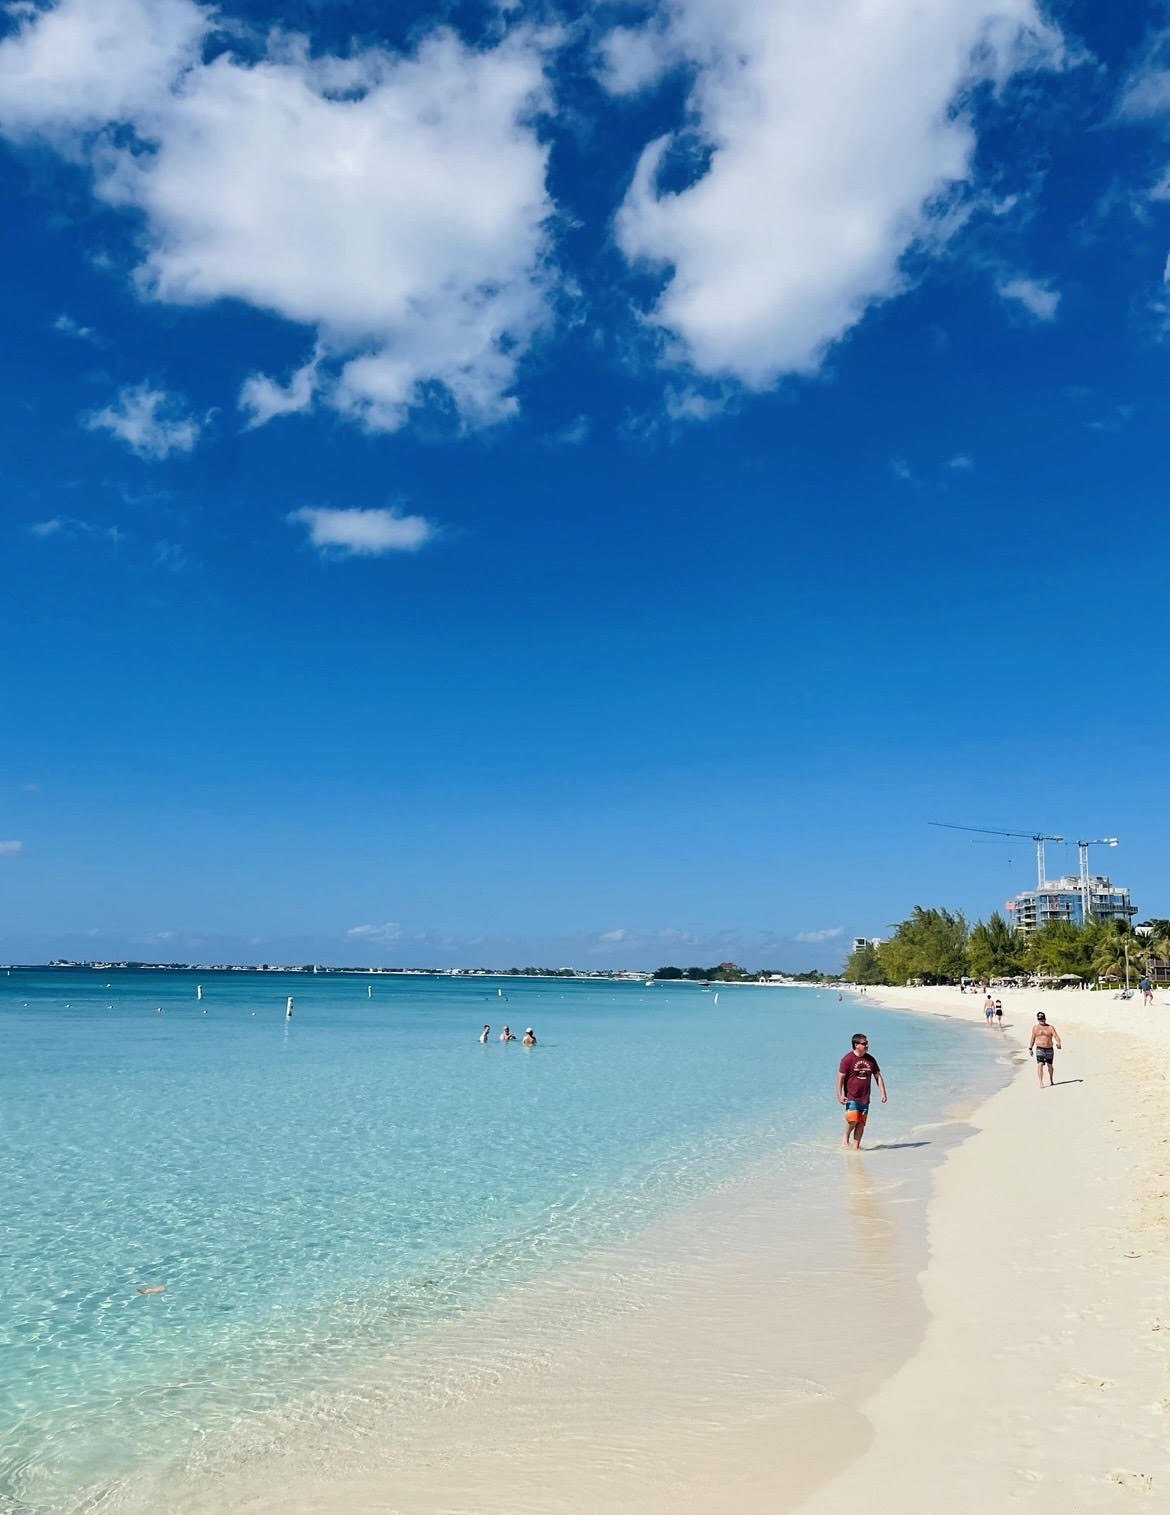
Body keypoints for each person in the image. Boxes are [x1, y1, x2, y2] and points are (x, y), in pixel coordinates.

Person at [836, 1033, 887, 1149]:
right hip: (851, 1096)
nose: (867, 1045)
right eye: (864, 1043)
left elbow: (878, 1076)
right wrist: (839, 1095)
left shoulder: (870, 1059)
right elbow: (840, 1077)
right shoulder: (847, 1059)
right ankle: (846, 1136)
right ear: (856, 1045)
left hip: (865, 1097)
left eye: (866, 1043)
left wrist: (883, 1093)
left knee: (861, 1123)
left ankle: (855, 1148)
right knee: (853, 1120)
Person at [1028, 1011, 1062, 1088]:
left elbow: (1056, 1036)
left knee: (1050, 1065)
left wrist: (1059, 1043)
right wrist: (1030, 1048)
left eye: (1043, 1019)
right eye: (1040, 1019)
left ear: (1045, 1018)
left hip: (1049, 1049)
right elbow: (1032, 1038)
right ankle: (1041, 1082)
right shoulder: (1035, 1028)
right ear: (1038, 1019)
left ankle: (1051, 1079)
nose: (1042, 1020)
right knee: (1040, 1064)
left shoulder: (1050, 1027)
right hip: (1039, 1048)